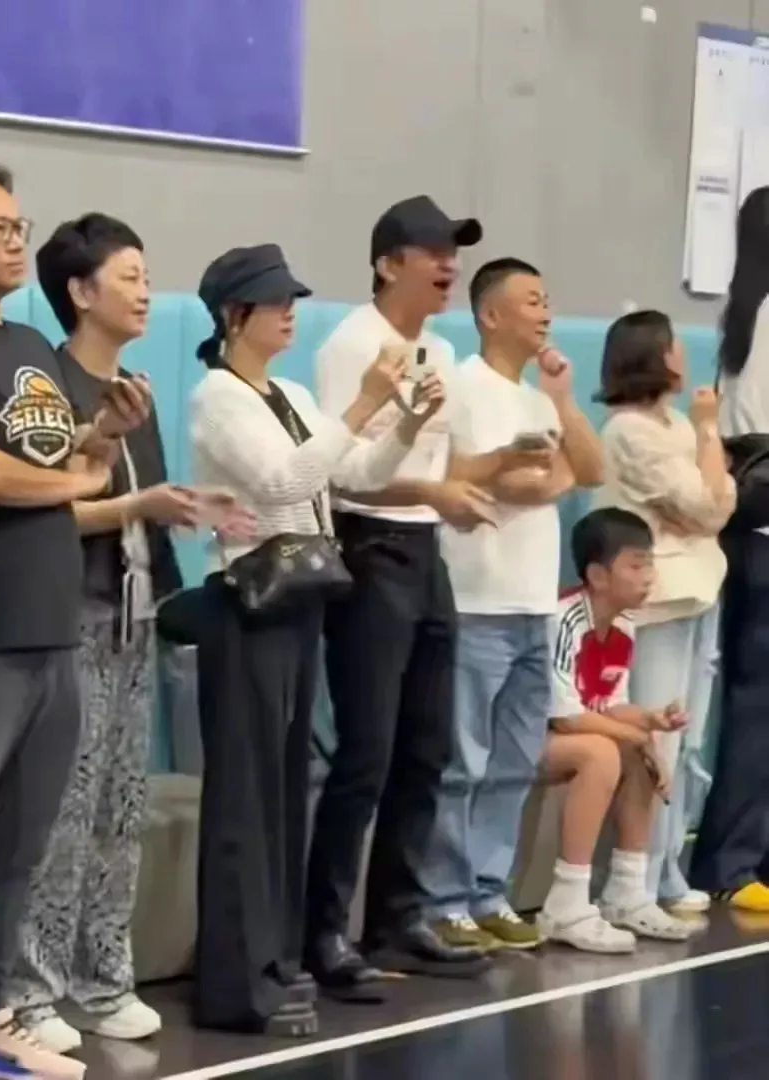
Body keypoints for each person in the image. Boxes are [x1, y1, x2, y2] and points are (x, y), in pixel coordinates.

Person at [4, 215, 253, 1053]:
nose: (146, 292)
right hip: (68, 614)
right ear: (80, 292)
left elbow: (141, 505)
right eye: (129, 276)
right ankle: (31, 988)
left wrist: (182, 512)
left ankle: (104, 977)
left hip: (134, 615)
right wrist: (137, 505)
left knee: (121, 805)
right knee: (60, 810)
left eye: (148, 277)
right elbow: (48, 509)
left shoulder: (135, 391)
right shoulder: (45, 386)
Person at [189, 242, 444, 1037]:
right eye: (274, 302)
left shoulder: (293, 393)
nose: (289, 313)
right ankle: (237, 984)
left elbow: (354, 474)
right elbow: (284, 482)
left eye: (291, 300)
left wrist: (407, 420)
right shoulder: (218, 396)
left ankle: (277, 960)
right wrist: (364, 404)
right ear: (234, 315)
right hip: (249, 605)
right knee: (247, 799)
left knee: (285, 796)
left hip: (300, 603)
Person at [306, 199, 553, 991]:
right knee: (366, 753)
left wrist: (476, 480)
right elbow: (342, 471)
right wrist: (434, 492)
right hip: (371, 545)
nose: (447, 264)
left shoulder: (439, 350)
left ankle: (398, 921)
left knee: (426, 748)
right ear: (387, 265)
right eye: (431, 251)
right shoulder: (355, 343)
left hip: (425, 549)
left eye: (453, 251)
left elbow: (438, 467)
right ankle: (323, 932)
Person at [0, 166, 147, 1078]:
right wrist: (73, 479)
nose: (13, 240)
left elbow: (58, 458)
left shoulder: (31, 342)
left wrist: (103, 434)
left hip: (50, 627)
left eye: (18, 224)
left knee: (19, 844)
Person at [418, 257, 604, 952]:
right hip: (476, 600)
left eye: (547, 299)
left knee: (514, 763)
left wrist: (563, 401)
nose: (545, 311)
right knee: (461, 761)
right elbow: (459, 476)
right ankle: (443, 901)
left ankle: (487, 892)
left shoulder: (538, 398)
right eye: (531, 300)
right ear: (490, 314)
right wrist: (525, 472)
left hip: (534, 604)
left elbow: (589, 469)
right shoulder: (462, 386)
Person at [593, 310, 735, 915]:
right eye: (674, 345)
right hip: (659, 601)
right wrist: (709, 436)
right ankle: (634, 879)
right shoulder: (630, 430)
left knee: (687, 740)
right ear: (652, 355)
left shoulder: (676, 424)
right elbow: (706, 504)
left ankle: (666, 868)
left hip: (701, 588)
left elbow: (718, 502)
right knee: (655, 741)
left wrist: (705, 471)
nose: (684, 354)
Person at [539, 507, 693, 952]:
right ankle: (566, 903)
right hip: (527, 739)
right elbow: (565, 715)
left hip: (567, 734)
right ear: (597, 575)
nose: (648, 577)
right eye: (636, 566)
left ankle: (626, 893)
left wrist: (651, 721)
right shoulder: (564, 619)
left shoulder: (623, 623)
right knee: (603, 752)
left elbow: (610, 704)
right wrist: (637, 736)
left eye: (650, 565)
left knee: (635, 749)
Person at [690, 185, 769, 911]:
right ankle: (734, 861)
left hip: (748, 533)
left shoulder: (744, 317)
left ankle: (740, 854)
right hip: (763, 536)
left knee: (753, 702)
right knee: (755, 705)